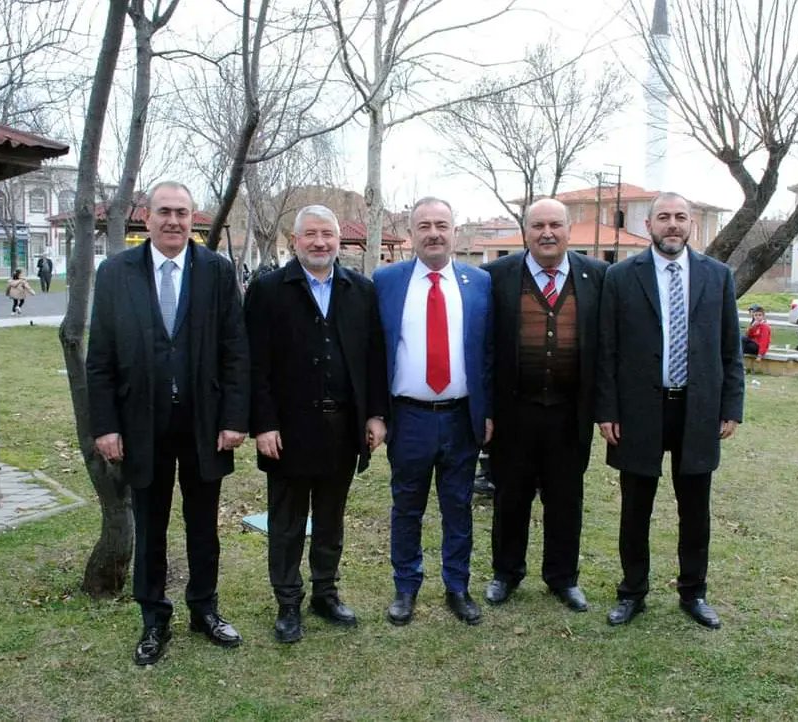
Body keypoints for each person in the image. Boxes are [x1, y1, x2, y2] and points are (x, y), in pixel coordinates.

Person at [86, 181, 251, 666]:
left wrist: (234, 418)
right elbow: (100, 359)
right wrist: (106, 426)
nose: (173, 221)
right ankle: (154, 618)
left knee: (204, 527)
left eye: (182, 212)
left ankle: (205, 609)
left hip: (204, 425)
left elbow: (235, 352)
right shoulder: (116, 273)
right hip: (142, 426)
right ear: (147, 217)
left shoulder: (217, 273)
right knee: (151, 526)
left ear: (193, 218)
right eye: (164, 212)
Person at [595, 192, 745, 630]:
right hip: (639, 411)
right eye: (664, 217)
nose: (672, 225)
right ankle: (631, 592)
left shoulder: (717, 276)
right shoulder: (621, 277)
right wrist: (607, 410)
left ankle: (693, 593)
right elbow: (607, 349)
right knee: (635, 507)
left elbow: (729, 348)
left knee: (695, 509)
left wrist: (731, 406)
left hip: (698, 409)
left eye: (681, 217)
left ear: (692, 225)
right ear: (649, 225)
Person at [244, 205, 388, 644]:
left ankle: (325, 592)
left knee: (330, 519)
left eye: (327, 234)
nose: (320, 242)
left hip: (342, 429)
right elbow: (254, 365)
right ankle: (288, 602)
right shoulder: (268, 290)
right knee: (287, 523)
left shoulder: (360, 290)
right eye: (311, 234)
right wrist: (263, 424)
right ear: (295, 238)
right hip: (287, 431)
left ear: (338, 239)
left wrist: (376, 415)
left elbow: (374, 358)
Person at [482, 198, 607, 612]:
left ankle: (562, 577)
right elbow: (483, 348)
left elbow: (607, 350)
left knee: (566, 498)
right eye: (538, 226)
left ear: (570, 230)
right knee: (510, 496)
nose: (547, 233)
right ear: (525, 231)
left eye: (555, 225)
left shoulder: (598, 276)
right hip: (514, 411)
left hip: (571, 412)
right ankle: (506, 573)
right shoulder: (496, 276)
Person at [373, 196, 493, 626]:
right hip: (409, 417)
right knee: (407, 505)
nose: (434, 233)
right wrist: (376, 413)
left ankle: (457, 586)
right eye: (424, 225)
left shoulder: (479, 283)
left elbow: (489, 354)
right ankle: (405, 588)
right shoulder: (386, 282)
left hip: (462, 415)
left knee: (457, 504)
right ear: (411, 234)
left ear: (454, 232)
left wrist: (488, 411)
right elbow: (374, 352)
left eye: (441, 224)